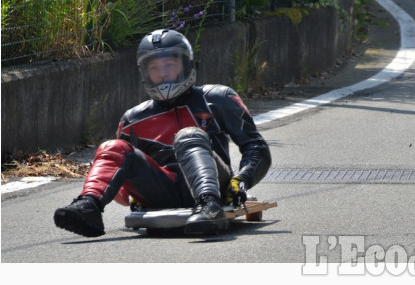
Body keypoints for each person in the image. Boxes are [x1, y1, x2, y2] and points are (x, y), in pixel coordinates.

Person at [54, 29, 271, 237]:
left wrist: (242, 180)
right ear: (145, 73)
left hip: (218, 187)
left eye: (169, 64)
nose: (162, 73)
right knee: (113, 147)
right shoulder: (133, 119)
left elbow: (256, 147)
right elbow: (120, 180)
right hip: (163, 189)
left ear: (185, 65)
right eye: (154, 68)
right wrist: (132, 194)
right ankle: (88, 206)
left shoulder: (218, 98)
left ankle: (209, 206)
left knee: (188, 136)